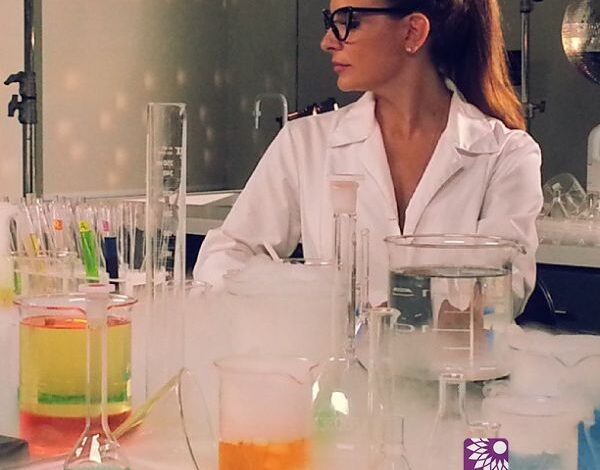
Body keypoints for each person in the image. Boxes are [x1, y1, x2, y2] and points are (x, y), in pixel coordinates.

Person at [194, 0, 543, 310]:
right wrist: (299, 302)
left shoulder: (507, 154)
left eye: (348, 22)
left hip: (453, 364)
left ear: (413, 31)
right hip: (334, 364)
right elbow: (226, 254)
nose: (328, 42)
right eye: (330, 23)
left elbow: (503, 289)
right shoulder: (305, 143)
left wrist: (412, 317)